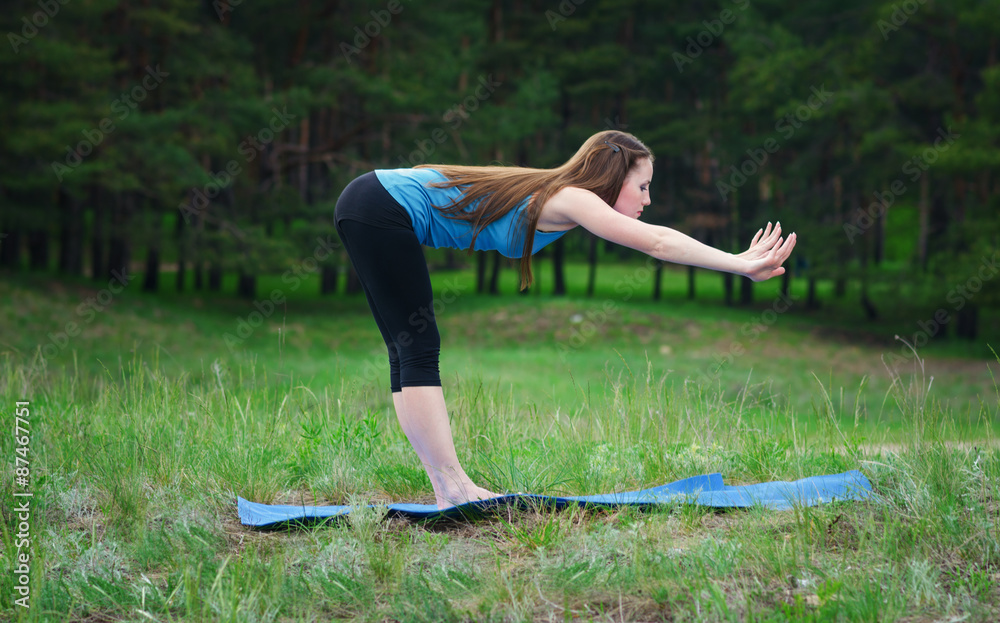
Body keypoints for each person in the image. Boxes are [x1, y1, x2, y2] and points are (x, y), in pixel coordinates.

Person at [334, 130, 796, 509]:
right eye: (643, 186)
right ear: (615, 179)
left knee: (407, 350)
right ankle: (452, 488)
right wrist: (738, 263)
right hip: (378, 207)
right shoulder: (573, 198)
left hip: (371, 203)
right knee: (417, 349)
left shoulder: (559, 196)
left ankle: (447, 487)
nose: (648, 199)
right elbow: (655, 242)